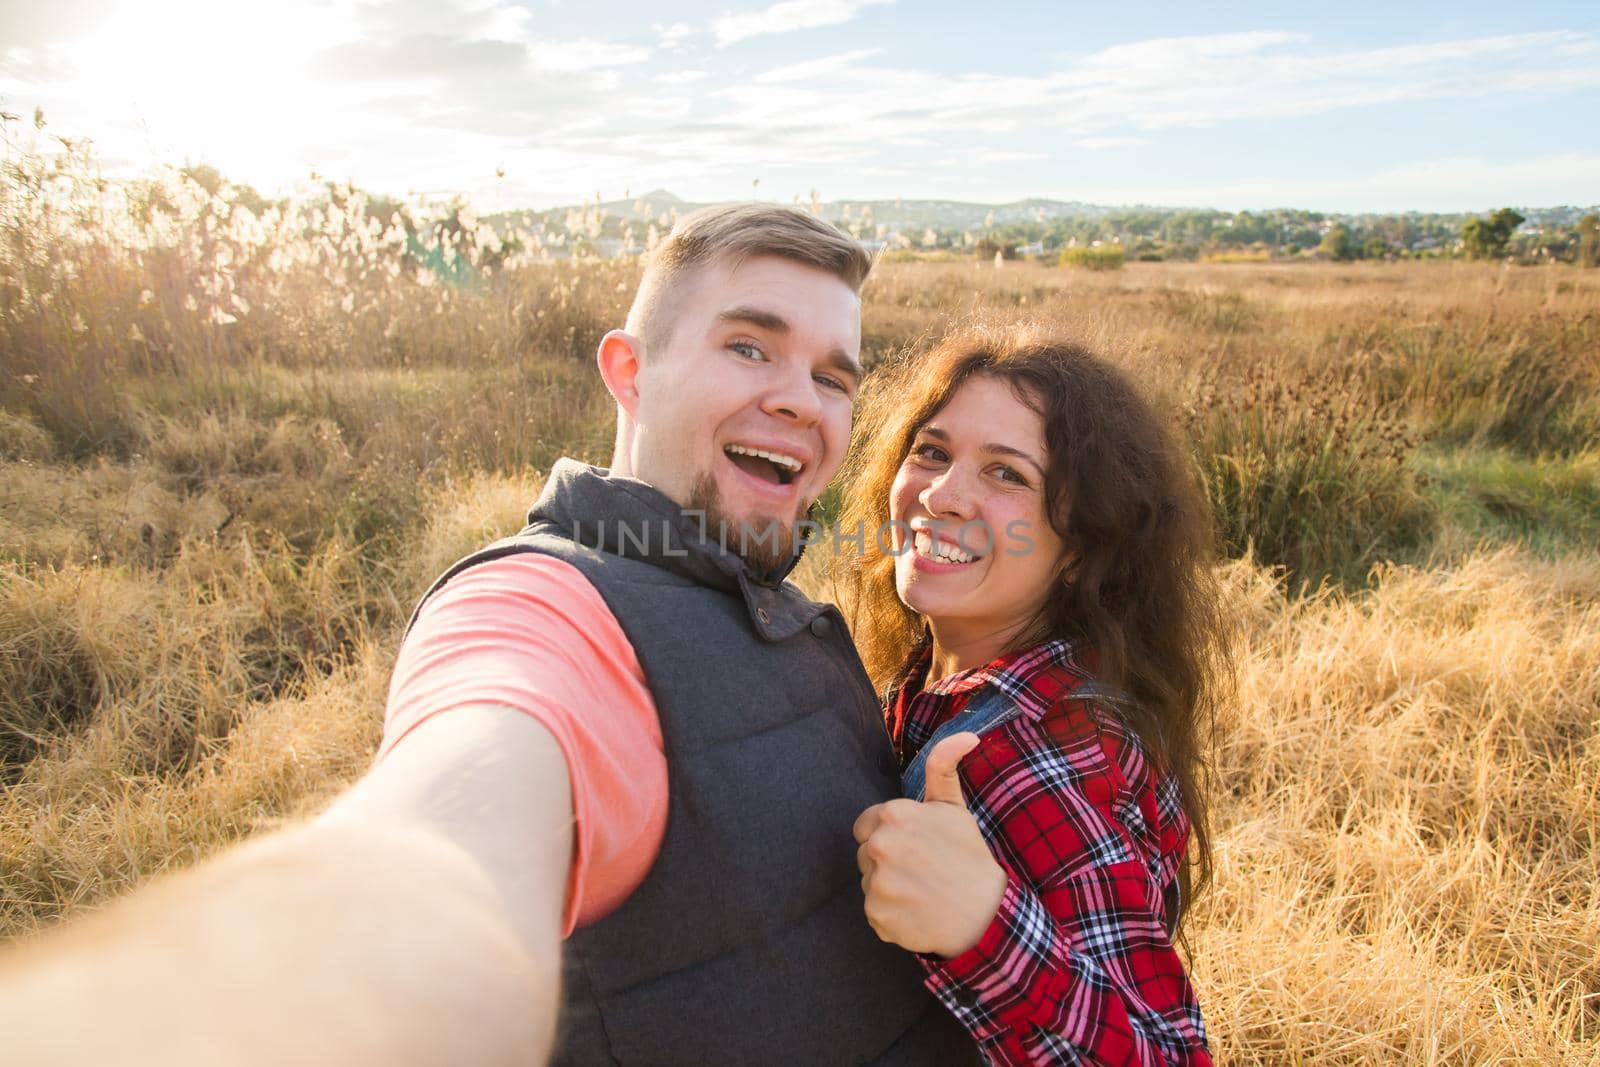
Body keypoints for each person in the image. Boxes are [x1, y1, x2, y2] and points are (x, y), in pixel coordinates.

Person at [0, 205, 978, 1066]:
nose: (802, 399)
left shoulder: (773, 605)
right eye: (750, 348)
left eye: (832, 376)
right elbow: (429, 865)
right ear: (628, 371)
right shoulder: (545, 609)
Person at [839, 327, 1226, 1065]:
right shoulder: (939, 676)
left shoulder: (1039, 753)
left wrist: (985, 924)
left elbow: (1167, 1053)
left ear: (1080, 547)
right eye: (931, 451)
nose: (944, 496)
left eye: (1007, 475)